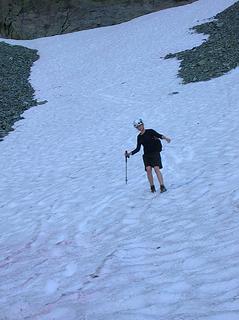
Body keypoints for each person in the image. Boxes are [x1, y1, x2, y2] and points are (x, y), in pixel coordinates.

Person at [125, 119, 171, 193]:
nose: (139, 128)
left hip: (155, 153)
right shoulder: (139, 137)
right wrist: (129, 154)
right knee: (148, 170)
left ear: (143, 124)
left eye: (140, 125)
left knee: (156, 168)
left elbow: (159, 135)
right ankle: (152, 187)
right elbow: (138, 149)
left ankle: (162, 186)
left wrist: (166, 138)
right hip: (146, 155)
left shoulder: (150, 131)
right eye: (138, 127)